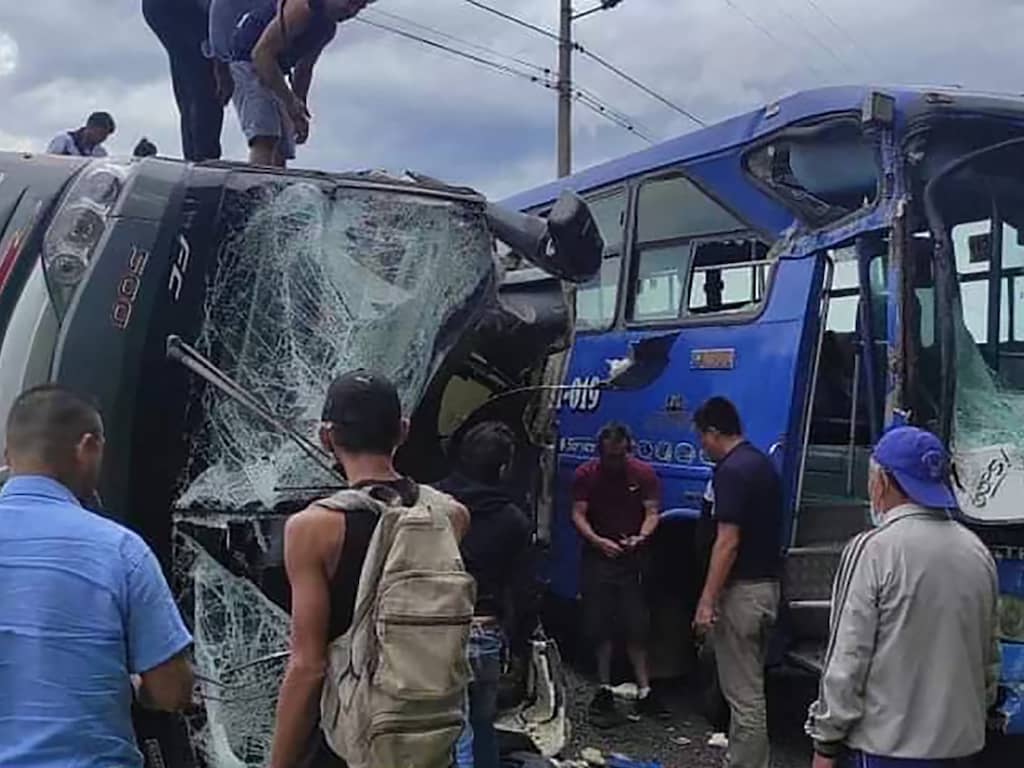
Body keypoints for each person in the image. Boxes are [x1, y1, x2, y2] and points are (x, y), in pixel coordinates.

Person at [269, 370, 469, 768]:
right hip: (428, 738)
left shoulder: (313, 529)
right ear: (403, 431)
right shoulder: (450, 515)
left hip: (349, 745)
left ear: (326, 437)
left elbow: (308, 666)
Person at [0, 386, 194, 767]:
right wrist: (136, 690)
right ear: (87, 447)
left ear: (8, 455)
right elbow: (173, 690)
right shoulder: (120, 550)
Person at [806, 426, 1000, 768]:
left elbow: (847, 658)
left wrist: (826, 740)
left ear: (881, 482)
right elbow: (988, 659)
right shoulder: (977, 552)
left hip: (888, 750)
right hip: (960, 748)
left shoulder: (872, 550)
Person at [692, 397, 783, 768]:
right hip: (765, 590)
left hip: (742, 595)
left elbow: (727, 541)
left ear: (714, 433)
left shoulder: (731, 471)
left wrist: (707, 601)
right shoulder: (760, 463)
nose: (702, 446)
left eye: (702, 438)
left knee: (744, 696)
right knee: (750, 685)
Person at [437, 421, 533, 768]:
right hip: (485, 633)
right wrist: (517, 644)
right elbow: (523, 592)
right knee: (481, 725)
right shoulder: (514, 520)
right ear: (504, 468)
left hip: (434, 630)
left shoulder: (430, 504)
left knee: (453, 732)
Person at [571, 422, 665, 726]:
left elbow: (652, 511)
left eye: (620, 456)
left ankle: (645, 689)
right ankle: (604, 688)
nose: (615, 462)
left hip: (632, 557)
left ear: (628, 450)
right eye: (610, 457)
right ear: (600, 453)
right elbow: (578, 513)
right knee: (601, 625)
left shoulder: (643, 474)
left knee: (638, 624)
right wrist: (597, 540)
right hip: (599, 557)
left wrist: (641, 536)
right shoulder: (586, 475)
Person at [214, 0, 371, 167]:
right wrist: (290, 102)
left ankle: (276, 189)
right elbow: (261, 55)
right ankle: (256, 186)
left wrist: (298, 111)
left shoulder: (327, 29)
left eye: (359, 7)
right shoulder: (302, 8)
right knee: (265, 135)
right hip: (247, 61)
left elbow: (304, 69)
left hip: (276, 70)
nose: (351, 11)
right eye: (350, 2)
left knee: (284, 143)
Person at [143, 0, 231, 162]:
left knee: (188, 77)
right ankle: (204, 159)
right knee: (204, 81)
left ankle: (195, 158)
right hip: (185, 9)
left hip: (162, 9)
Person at [46, 111, 116, 157]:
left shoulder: (100, 153)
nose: (103, 138)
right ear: (90, 126)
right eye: (101, 133)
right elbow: (49, 164)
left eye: (106, 136)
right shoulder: (63, 141)